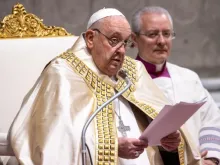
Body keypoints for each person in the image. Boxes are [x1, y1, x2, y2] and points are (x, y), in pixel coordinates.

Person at [9, 8, 181, 165]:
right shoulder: (63, 72)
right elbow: (53, 140)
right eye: (114, 40)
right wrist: (111, 147)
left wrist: (169, 143)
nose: (121, 50)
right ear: (91, 39)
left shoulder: (132, 71)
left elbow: (158, 126)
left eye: (126, 43)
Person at [131, 6, 220, 165]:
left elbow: (211, 119)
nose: (161, 41)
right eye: (152, 34)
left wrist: (212, 158)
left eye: (167, 34)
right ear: (134, 38)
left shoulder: (188, 78)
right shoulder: (124, 80)